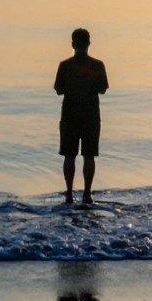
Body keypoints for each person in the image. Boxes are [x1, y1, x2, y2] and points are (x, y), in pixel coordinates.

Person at [54, 28, 108, 204]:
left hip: (70, 115)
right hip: (91, 115)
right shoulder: (97, 65)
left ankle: (69, 194)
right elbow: (102, 89)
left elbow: (58, 90)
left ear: (72, 44)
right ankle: (87, 194)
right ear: (89, 43)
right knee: (89, 156)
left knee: (69, 156)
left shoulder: (65, 66)